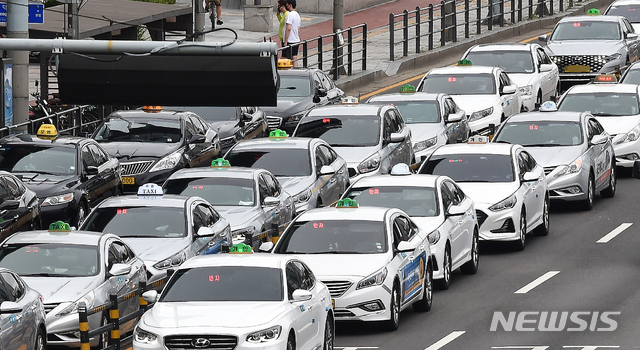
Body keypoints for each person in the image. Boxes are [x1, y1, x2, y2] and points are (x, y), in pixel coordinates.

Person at [283, 0, 301, 67]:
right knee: (294, 57)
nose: (286, 6)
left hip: (290, 40)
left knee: (286, 58)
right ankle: (296, 71)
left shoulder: (290, 15)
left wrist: (285, 41)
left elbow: (288, 28)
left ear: (290, 5)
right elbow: (298, 28)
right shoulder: (297, 15)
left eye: (287, 5)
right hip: (296, 39)